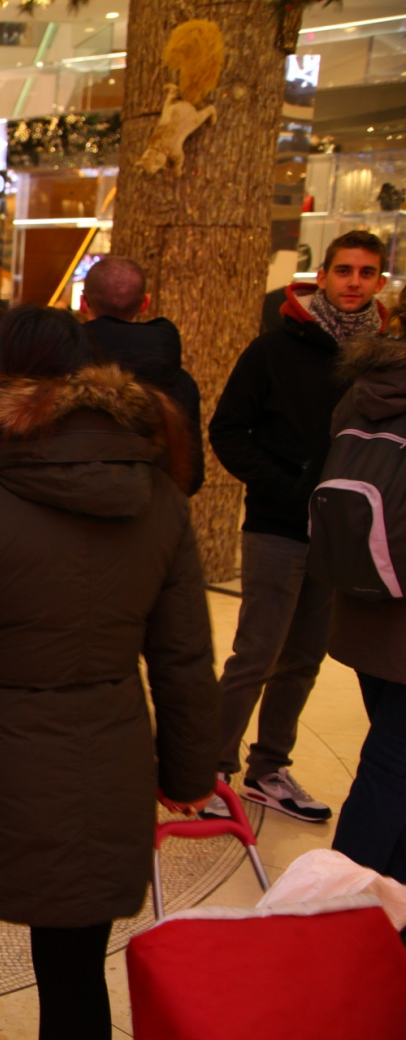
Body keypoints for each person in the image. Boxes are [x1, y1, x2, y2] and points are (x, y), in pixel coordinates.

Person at [0, 305, 219, 1040]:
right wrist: (190, 772)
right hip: (104, 760)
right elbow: (183, 651)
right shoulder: (157, 493)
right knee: (73, 964)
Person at [204, 229, 389, 822]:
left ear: (380, 280)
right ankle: (209, 768)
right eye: (343, 271)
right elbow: (228, 429)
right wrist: (287, 486)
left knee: (306, 656)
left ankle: (268, 768)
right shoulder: (274, 350)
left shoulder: (386, 354)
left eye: (365, 273)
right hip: (278, 524)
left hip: (344, 537)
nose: (354, 283)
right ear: (323, 276)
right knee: (255, 652)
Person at [325, 332, 406, 883]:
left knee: (392, 765)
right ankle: (332, 913)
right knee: (389, 772)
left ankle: (388, 912)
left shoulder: (365, 389)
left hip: (363, 606)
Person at [80, 257, 206, 494]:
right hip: (154, 517)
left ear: (82, 302)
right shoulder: (180, 380)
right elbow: (191, 473)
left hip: (69, 516)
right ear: (145, 303)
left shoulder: (63, 366)